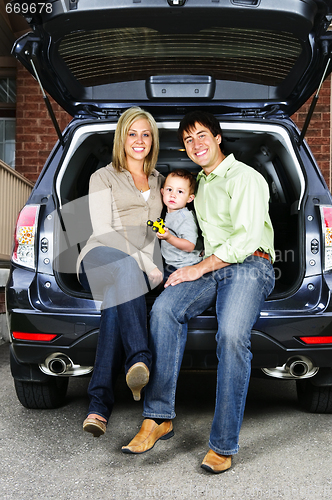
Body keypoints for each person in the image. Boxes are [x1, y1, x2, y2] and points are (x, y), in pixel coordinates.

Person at [122, 111, 275, 473]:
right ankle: (158, 417)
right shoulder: (199, 185)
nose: (196, 144)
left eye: (203, 135)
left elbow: (246, 239)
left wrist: (198, 267)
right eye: (189, 140)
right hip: (209, 264)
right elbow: (168, 211)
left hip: (250, 264)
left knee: (233, 335)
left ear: (218, 138)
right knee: (163, 310)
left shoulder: (246, 178)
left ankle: (222, 445)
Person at [78, 107, 164, 438]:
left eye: (145, 134)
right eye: (132, 133)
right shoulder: (103, 176)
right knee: (125, 269)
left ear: (152, 139)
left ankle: (99, 407)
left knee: (118, 297)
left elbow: (156, 227)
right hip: (100, 255)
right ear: (122, 138)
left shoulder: (158, 179)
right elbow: (104, 229)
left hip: (136, 266)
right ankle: (138, 359)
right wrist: (145, 263)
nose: (139, 140)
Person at [156, 169, 203, 280]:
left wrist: (169, 237)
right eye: (169, 189)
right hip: (171, 263)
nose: (173, 195)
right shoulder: (167, 213)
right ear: (162, 192)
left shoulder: (185, 218)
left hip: (186, 266)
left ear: (190, 198)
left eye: (180, 192)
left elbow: (189, 246)